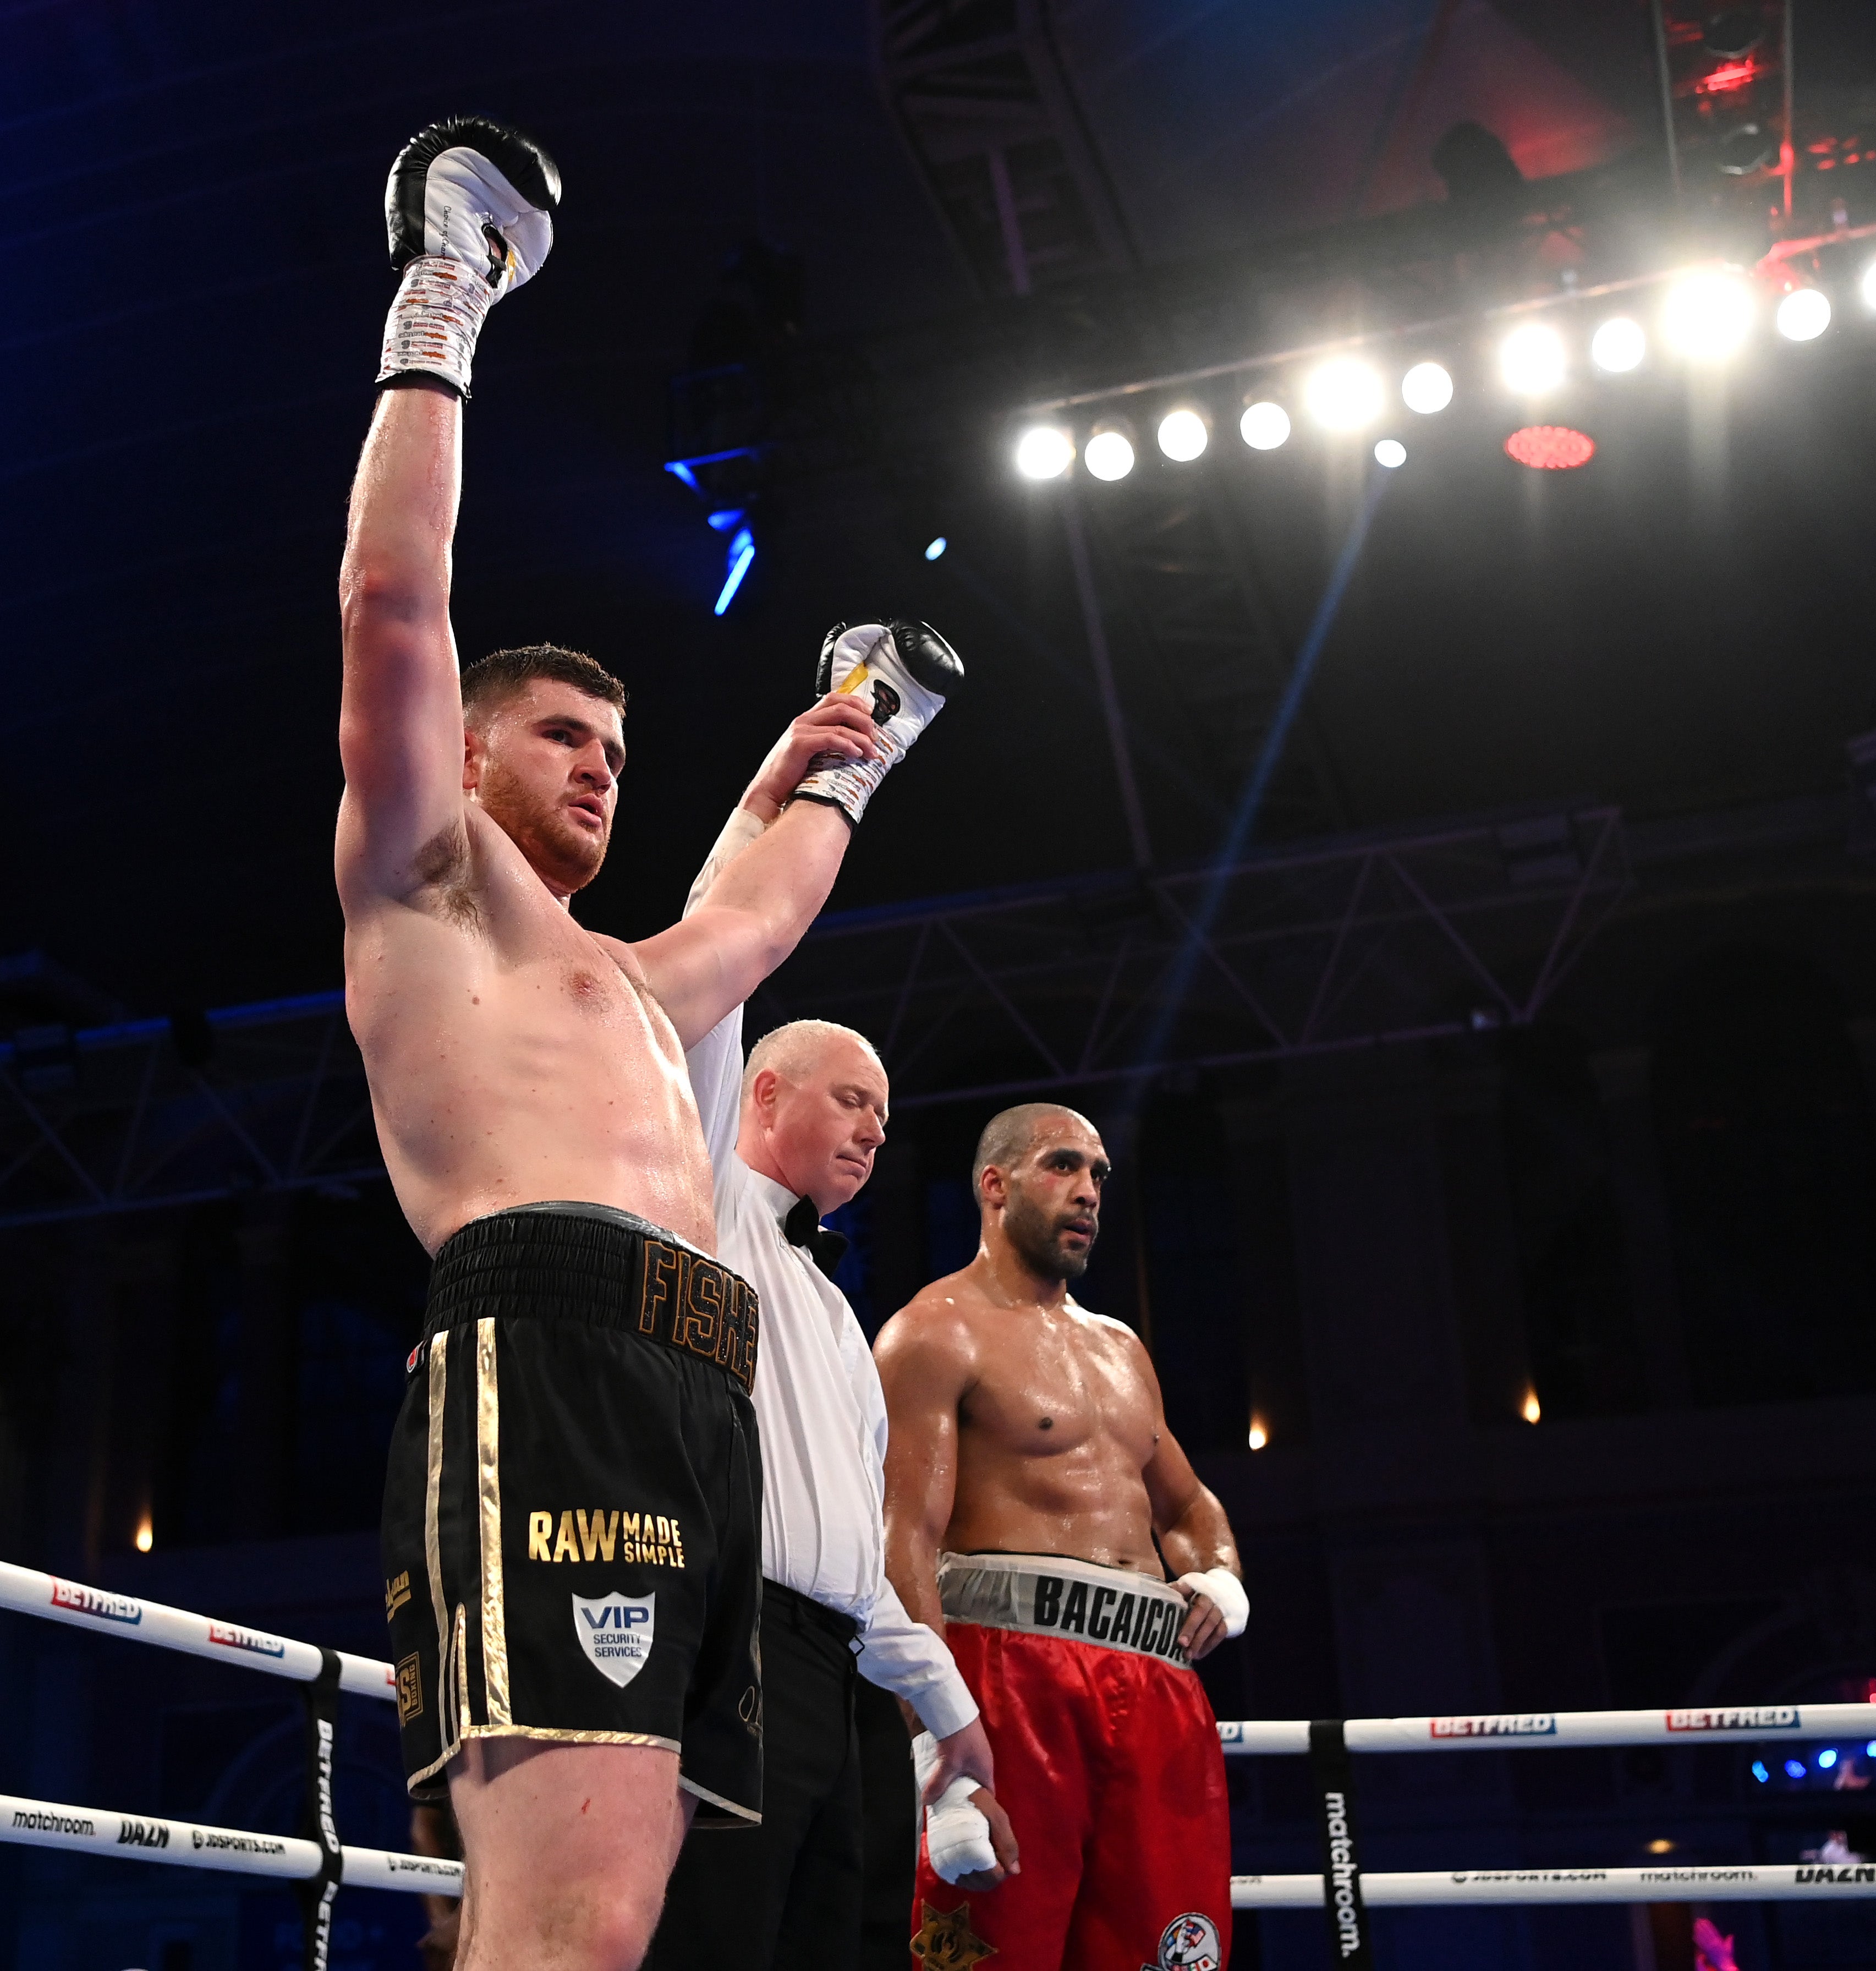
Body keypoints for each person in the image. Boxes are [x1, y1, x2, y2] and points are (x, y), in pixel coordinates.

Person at [339, 119, 958, 1971]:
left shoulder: (630, 982)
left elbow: (759, 917)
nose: (598, 765)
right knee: (575, 1922)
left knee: (653, 1924)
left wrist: (839, 748)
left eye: (616, 750)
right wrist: (445, 298)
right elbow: (392, 605)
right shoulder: (423, 889)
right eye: (557, 739)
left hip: (698, 1397)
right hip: (551, 1355)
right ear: (460, 756)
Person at [639, 995, 1017, 1971]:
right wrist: (772, 837)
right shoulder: (704, 1201)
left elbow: (854, 1559)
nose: (874, 1133)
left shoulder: (840, 1318)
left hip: (835, 1677)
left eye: (883, 1120)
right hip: (734, 1644)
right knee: (718, 1938)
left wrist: (950, 1706)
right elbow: (708, 1006)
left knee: (831, 1946)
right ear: (763, 1096)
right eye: (853, 1100)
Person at [875, 1104, 1248, 1971]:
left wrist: (1220, 1580)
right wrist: (943, 1751)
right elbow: (905, 1550)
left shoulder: (1122, 1350)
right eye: (1063, 1167)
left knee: (1169, 1954)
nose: (1088, 1193)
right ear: (994, 1185)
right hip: (1011, 1679)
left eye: (1099, 1176)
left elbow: (1191, 1509)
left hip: (1156, 1684)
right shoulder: (933, 1333)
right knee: (989, 1955)